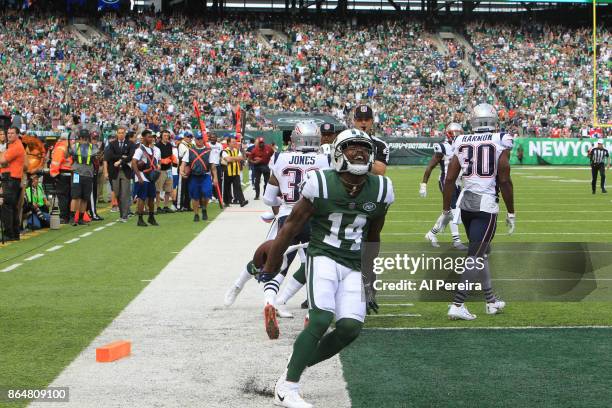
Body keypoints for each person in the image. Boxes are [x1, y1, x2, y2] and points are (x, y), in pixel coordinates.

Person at [261, 129, 394, 407]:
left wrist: (370, 279)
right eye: (351, 147)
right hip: (323, 255)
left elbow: (373, 237)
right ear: (337, 153)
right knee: (321, 319)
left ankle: (293, 368)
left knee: (349, 329)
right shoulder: (319, 183)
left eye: (364, 148)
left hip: (355, 263)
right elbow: (289, 229)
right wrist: (271, 266)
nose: (359, 152)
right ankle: (287, 388)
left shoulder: (381, 188)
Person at [224, 121, 331, 330]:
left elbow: (268, 198)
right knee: (314, 266)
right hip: (314, 219)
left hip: (287, 216)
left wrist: (282, 205)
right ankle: (243, 288)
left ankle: (272, 301)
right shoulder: (326, 159)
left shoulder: (281, 157)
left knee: (271, 261)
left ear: (294, 139)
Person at [436, 103, 515, 320]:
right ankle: (458, 304)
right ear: (493, 120)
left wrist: (445, 210)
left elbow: (450, 178)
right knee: (476, 256)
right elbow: (505, 178)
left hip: (466, 205)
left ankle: (490, 301)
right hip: (485, 205)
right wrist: (511, 212)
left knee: (482, 253)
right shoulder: (501, 139)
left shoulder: (460, 140)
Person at [420, 122, 467, 250]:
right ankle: (456, 240)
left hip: (458, 182)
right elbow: (430, 166)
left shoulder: (462, 146)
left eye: (459, 133)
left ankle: (432, 233)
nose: (457, 135)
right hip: (446, 181)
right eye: (454, 133)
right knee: (453, 211)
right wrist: (424, 184)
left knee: (450, 212)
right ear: (448, 134)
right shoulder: (443, 147)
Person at [180, 132, 217, 222]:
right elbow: (183, 163)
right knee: (195, 196)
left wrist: (215, 177)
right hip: (194, 176)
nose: (199, 140)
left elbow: (212, 166)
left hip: (205, 175)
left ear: (203, 139)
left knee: (207, 193)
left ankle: (204, 208)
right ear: (195, 140)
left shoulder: (209, 151)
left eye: (201, 138)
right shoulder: (190, 151)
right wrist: (181, 171)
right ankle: (196, 214)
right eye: (197, 139)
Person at [105, 126, 136, 223]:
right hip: (115, 171)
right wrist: (122, 157)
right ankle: (121, 213)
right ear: (117, 133)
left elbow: (131, 156)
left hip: (125, 171)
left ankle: (125, 215)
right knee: (117, 193)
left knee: (125, 194)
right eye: (119, 132)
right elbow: (110, 156)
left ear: (125, 133)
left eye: (123, 132)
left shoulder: (130, 144)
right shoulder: (112, 144)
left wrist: (120, 161)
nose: (121, 134)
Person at [69, 128, 99, 226]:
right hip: (78, 174)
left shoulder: (92, 147)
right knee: (76, 196)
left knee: (84, 197)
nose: (84, 140)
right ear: (80, 138)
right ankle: (73, 218)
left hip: (87, 174)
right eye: (83, 138)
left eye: (86, 138)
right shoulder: (76, 146)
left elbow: (97, 157)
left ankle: (80, 218)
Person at [0, 127, 26, 241]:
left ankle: (9, 233)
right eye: (8, 133)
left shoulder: (16, 146)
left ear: (17, 135)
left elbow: (3, 161)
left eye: (12, 133)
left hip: (11, 178)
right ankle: (15, 233)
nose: (9, 135)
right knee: (13, 207)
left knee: (7, 206)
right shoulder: (15, 145)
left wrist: (2, 154)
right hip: (13, 178)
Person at [132, 129, 161, 227]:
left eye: (152, 137)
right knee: (142, 198)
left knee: (151, 198)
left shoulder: (152, 150)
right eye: (149, 137)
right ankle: (140, 219)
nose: (151, 138)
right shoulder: (139, 150)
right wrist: (139, 177)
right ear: (143, 138)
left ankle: (151, 217)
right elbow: (134, 163)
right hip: (142, 177)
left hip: (150, 177)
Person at [352, 104, 390, 175]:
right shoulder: (343, 140)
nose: (363, 122)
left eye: (366, 119)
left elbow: (380, 171)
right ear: (354, 121)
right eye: (360, 119)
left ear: (372, 121)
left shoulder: (380, 145)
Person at [49, 134, 73, 224]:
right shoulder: (71, 147)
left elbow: (55, 162)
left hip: (62, 173)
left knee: (63, 196)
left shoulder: (60, 148)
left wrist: (54, 174)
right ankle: (71, 215)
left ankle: (64, 216)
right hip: (72, 173)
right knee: (71, 195)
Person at [221, 138, 248, 207]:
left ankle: (242, 201)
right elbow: (228, 159)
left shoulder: (237, 150)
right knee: (227, 187)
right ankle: (226, 201)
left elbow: (241, 158)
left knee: (238, 186)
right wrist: (236, 158)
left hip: (236, 171)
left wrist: (232, 158)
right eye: (233, 142)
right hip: (227, 172)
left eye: (235, 142)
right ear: (228, 143)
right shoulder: (224, 151)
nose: (234, 143)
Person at [155, 129, 177, 213]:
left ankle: (165, 206)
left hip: (168, 169)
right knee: (158, 189)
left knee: (168, 189)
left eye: (168, 135)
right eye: (164, 135)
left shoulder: (169, 145)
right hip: (160, 170)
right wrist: (163, 160)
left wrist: (173, 159)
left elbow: (171, 155)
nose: (166, 137)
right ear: (161, 136)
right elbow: (156, 158)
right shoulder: (157, 146)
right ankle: (158, 207)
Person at [176, 131, 193, 211]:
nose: (189, 138)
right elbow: (188, 153)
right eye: (188, 137)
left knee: (188, 188)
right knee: (181, 188)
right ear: (184, 137)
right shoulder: (182, 145)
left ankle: (187, 205)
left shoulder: (190, 145)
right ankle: (179, 205)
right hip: (183, 168)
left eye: (190, 137)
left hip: (189, 168)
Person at [207, 133, 224, 203]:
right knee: (209, 182)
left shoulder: (220, 145)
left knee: (218, 182)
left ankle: (217, 197)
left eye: (214, 137)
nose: (213, 138)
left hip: (217, 165)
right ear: (209, 138)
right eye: (211, 137)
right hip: (209, 166)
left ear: (216, 138)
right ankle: (210, 197)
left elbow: (221, 155)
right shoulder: (207, 145)